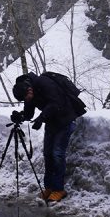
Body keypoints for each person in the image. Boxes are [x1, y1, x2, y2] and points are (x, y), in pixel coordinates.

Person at [12, 72, 78, 202]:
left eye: (27, 97)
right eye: (25, 100)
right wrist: (20, 116)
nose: (27, 100)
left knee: (57, 153)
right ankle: (49, 187)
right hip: (51, 121)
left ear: (29, 88)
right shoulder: (28, 94)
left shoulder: (44, 83)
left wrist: (41, 118)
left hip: (65, 119)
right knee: (47, 154)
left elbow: (57, 102)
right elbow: (29, 112)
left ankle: (59, 189)